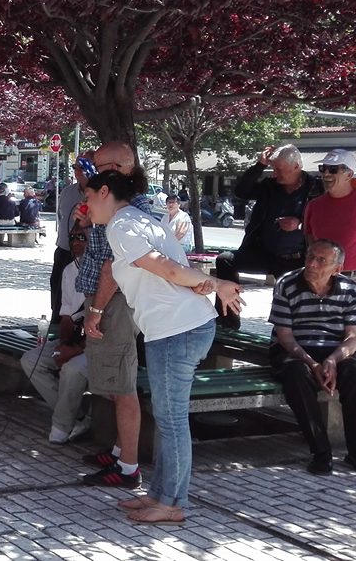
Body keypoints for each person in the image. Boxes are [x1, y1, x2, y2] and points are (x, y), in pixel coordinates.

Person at [84, 170, 242, 525]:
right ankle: (159, 494)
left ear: (105, 191)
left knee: (171, 421)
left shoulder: (122, 226)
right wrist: (206, 283)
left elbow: (168, 269)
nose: (86, 205)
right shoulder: (140, 221)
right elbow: (174, 271)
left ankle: (171, 503)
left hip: (177, 330)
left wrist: (216, 282)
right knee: (168, 418)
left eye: (89, 196)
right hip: (178, 327)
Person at [268, 239, 356, 475]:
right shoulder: (286, 284)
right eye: (310, 256)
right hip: (294, 349)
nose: (312, 264)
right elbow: (285, 337)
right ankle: (320, 452)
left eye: (321, 260)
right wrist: (312, 363)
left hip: (333, 350)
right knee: (296, 375)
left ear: (337, 269)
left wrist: (332, 360)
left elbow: (353, 337)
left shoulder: (350, 290)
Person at [78, 142, 150, 489]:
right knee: (116, 380)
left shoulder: (128, 211)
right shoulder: (117, 204)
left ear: (122, 168)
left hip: (114, 302)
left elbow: (112, 266)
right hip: (108, 298)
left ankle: (128, 468)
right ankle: (122, 452)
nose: (94, 174)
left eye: (99, 167)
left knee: (122, 384)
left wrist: (95, 311)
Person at [215, 144, 321, 330]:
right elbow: (241, 191)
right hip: (263, 253)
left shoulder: (315, 189)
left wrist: (300, 224)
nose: (274, 174)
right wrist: (259, 165)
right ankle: (228, 321)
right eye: (273, 168)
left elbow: (325, 221)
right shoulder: (270, 186)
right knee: (225, 260)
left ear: (296, 166)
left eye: (279, 169)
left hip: (296, 259)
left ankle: (288, 335)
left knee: (290, 307)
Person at [303, 149, 356, 360]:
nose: (326, 174)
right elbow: (312, 243)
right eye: (323, 168)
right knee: (328, 338)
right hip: (327, 282)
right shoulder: (314, 206)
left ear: (349, 174)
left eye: (333, 169)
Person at [21, 221, 91, 445]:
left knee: (72, 368)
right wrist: (65, 345)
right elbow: (67, 316)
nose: (76, 242)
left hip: (100, 346)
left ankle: (61, 425)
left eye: (82, 237)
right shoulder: (70, 270)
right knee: (31, 361)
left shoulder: (106, 270)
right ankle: (78, 415)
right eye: (73, 237)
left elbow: (107, 327)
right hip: (78, 339)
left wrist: (75, 350)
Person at [51, 155, 95, 324]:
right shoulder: (67, 192)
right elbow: (61, 217)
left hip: (88, 254)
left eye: (81, 167)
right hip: (64, 249)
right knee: (58, 292)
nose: (77, 171)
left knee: (81, 298)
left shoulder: (100, 195)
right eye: (75, 167)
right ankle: (56, 325)